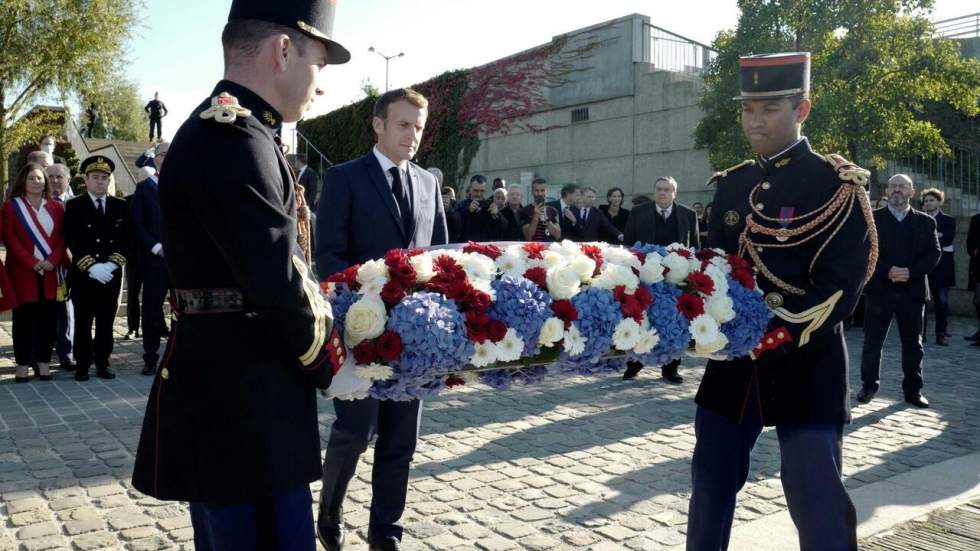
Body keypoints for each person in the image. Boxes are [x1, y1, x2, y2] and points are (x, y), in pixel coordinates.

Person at [131, 3, 348, 550]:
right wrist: (335, 359)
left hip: (248, 395)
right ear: (282, 50)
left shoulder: (245, 132)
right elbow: (275, 276)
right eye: (318, 62)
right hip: (242, 406)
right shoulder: (232, 136)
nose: (319, 85)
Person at [688, 52, 875, 551]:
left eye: (769, 109)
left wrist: (783, 331)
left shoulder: (836, 185)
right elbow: (715, 270)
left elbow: (842, 282)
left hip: (806, 358)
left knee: (816, 500)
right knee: (709, 488)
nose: (755, 120)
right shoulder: (732, 185)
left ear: (803, 110)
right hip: (734, 366)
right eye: (748, 109)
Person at [315, 87, 447, 551]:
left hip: (415, 343)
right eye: (403, 124)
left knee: (400, 442)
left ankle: (385, 534)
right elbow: (328, 255)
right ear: (379, 125)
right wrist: (357, 313)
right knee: (354, 433)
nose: (412, 135)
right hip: (361, 335)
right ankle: (329, 513)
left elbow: (442, 259)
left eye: (418, 127)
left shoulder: (429, 184)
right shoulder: (344, 178)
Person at [858, 175, 940, 408]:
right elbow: (864, 252)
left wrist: (910, 272)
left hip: (912, 292)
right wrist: (887, 270)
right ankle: (868, 386)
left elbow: (933, 254)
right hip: (879, 291)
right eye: (893, 186)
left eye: (902, 186)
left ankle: (913, 391)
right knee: (872, 342)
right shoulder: (872, 220)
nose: (897, 190)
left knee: (914, 344)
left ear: (912, 192)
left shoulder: (926, 222)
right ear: (887, 190)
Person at [622, 176, 700, 383]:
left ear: (674, 193)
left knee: (675, 322)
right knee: (643, 319)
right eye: (659, 189)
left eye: (667, 189)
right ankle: (634, 364)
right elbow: (629, 244)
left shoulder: (688, 215)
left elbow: (695, 247)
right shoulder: (639, 213)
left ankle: (670, 368)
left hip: (677, 280)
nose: (662, 193)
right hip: (647, 276)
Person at [63, 156, 130, 382]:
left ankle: (103, 363)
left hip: (110, 274)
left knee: (105, 322)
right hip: (84, 275)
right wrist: (91, 266)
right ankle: (82, 365)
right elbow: (72, 239)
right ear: (86, 180)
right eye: (95, 177)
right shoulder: (73, 206)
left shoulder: (121, 206)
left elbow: (127, 240)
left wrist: (111, 264)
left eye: (104, 178)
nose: (100, 181)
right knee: (83, 321)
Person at [3, 163, 65, 382]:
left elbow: (62, 238)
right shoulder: (12, 206)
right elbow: (9, 238)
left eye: (40, 178)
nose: (36, 182)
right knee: (23, 321)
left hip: (50, 272)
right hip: (23, 272)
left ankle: (44, 362)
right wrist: (32, 262)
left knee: (48, 320)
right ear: (23, 181)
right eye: (32, 178)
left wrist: (53, 260)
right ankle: (22, 364)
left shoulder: (57, 207)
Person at [131, 142, 171, 376]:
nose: (166, 158)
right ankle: (150, 357)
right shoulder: (145, 187)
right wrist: (155, 247)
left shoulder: (185, 186)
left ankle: (181, 354)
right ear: (155, 159)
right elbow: (137, 223)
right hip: (155, 260)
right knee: (152, 310)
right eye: (162, 154)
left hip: (181, 260)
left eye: (170, 154)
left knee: (185, 310)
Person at [45, 164, 75, 370]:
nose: (55, 181)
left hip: (72, 266)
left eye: (59, 177)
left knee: (68, 310)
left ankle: (67, 353)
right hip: (45, 265)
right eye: (51, 177)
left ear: (68, 180)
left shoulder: (77, 204)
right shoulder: (39, 204)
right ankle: (39, 354)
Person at [920, 188, 955, 345]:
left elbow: (947, 240)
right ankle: (922, 333)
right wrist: (937, 235)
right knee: (921, 304)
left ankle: (940, 333)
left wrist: (934, 237)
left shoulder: (949, 220)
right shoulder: (919, 219)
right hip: (923, 268)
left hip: (942, 268)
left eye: (931, 200)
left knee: (942, 302)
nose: (928, 203)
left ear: (939, 202)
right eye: (926, 201)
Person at [968, 212, 980, 345]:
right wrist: (974, 250)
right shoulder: (976, 218)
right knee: (977, 300)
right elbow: (970, 241)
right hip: (978, 265)